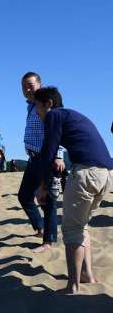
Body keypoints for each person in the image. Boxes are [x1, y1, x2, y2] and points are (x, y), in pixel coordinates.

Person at [35, 87, 113, 295]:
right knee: (81, 226)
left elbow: (48, 151)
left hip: (86, 172)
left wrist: (42, 185)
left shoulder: (54, 115)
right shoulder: (72, 115)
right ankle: (88, 275)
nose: (37, 113)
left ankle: (73, 287)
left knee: (71, 230)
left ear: (49, 103)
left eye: (38, 107)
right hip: (106, 174)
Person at [18, 72, 65, 253]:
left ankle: (48, 240)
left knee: (48, 201)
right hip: (33, 159)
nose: (27, 89)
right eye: (24, 87)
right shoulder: (31, 106)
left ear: (39, 84)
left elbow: (57, 129)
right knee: (24, 196)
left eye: (30, 85)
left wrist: (59, 155)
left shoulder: (47, 103)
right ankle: (40, 227)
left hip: (47, 158)